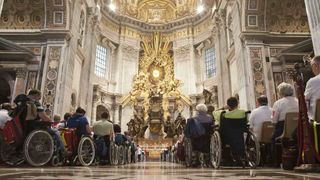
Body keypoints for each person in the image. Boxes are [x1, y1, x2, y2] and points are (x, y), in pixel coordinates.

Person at [305, 56, 320, 120]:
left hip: (317, 122)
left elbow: (305, 103)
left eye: (312, 66)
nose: (312, 69)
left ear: (316, 66)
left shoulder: (313, 81)